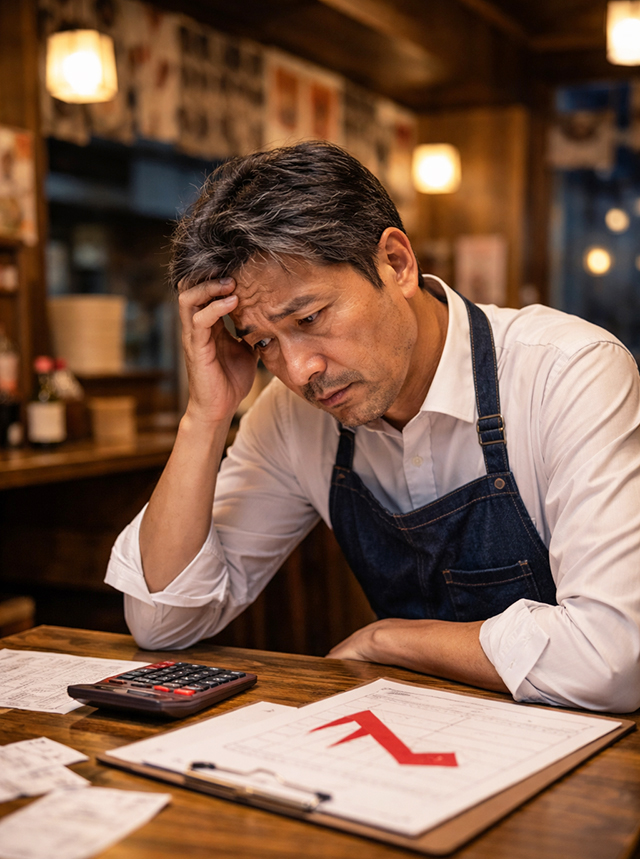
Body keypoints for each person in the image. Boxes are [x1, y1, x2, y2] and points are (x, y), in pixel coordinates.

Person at [106, 140, 640, 713]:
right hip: (409, 744)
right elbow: (163, 621)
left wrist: (387, 638)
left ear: (396, 263)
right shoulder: (292, 418)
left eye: (309, 318)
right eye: (264, 343)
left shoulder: (566, 372)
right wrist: (204, 417)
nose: (299, 370)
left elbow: (613, 658)